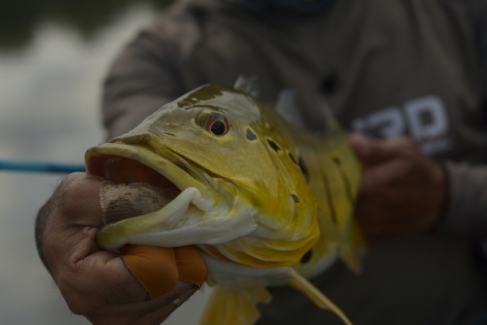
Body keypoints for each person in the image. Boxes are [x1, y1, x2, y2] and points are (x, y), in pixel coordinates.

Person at [36, 0, 487, 324]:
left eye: (215, 129)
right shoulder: (158, 55)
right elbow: (131, 155)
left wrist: (452, 195)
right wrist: (54, 227)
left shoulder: (460, 12)